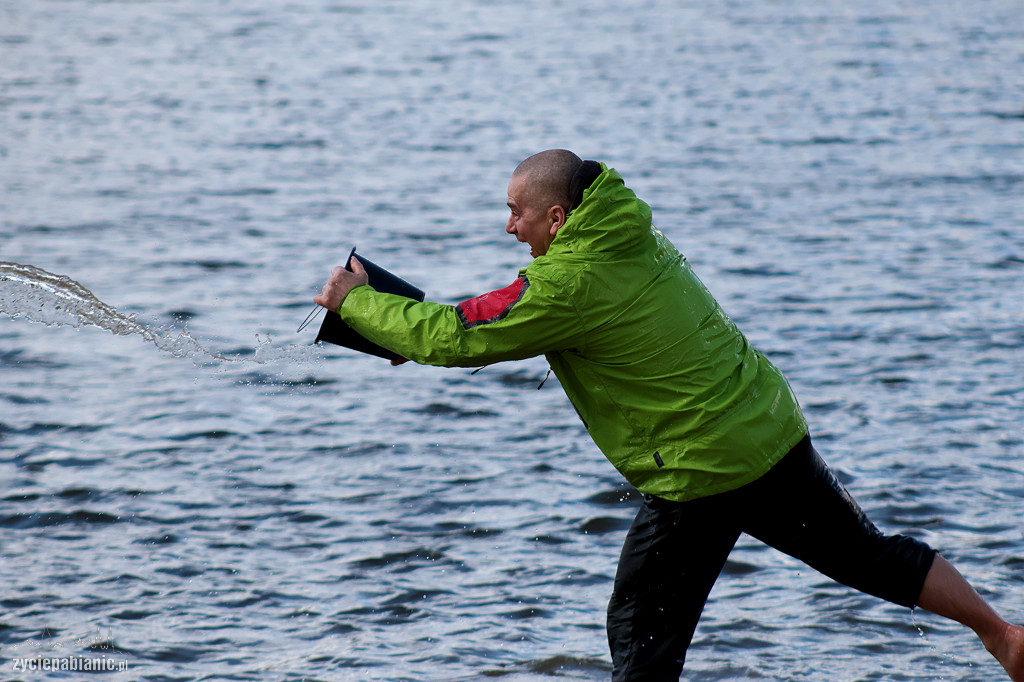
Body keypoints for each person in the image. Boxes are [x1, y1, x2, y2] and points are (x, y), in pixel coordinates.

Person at [314, 149, 1024, 680]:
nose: (508, 226)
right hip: (767, 429)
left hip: (700, 471)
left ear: (557, 218)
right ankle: (1001, 634)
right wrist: (401, 327)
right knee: (869, 556)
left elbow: (462, 336)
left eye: (517, 212)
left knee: (639, 630)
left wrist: (358, 302)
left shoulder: (568, 283)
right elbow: (488, 322)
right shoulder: (631, 238)